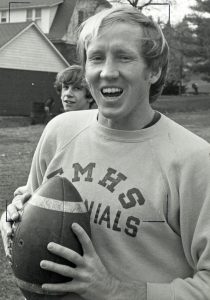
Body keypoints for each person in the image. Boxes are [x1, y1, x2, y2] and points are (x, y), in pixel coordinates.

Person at [1, 6, 210, 300]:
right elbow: (33, 203)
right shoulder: (60, 131)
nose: (107, 72)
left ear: (154, 70)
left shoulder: (195, 161)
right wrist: (14, 219)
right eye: (96, 58)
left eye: (124, 57)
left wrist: (114, 290)